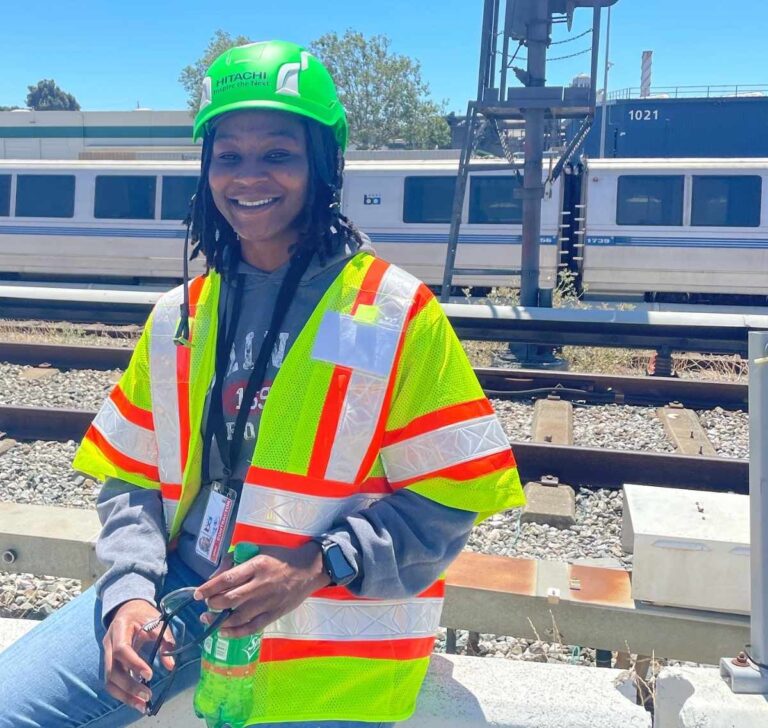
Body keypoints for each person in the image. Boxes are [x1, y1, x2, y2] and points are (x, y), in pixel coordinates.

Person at [0, 40, 524, 727]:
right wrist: (130, 593)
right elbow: (129, 479)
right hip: (185, 592)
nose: (250, 176)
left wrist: (314, 567)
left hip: (325, 624)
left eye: (278, 153)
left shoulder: (392, 314)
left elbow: (451, 499)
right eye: (229, 156)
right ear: (206, 170)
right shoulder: (183, 315)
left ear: (321, 166)